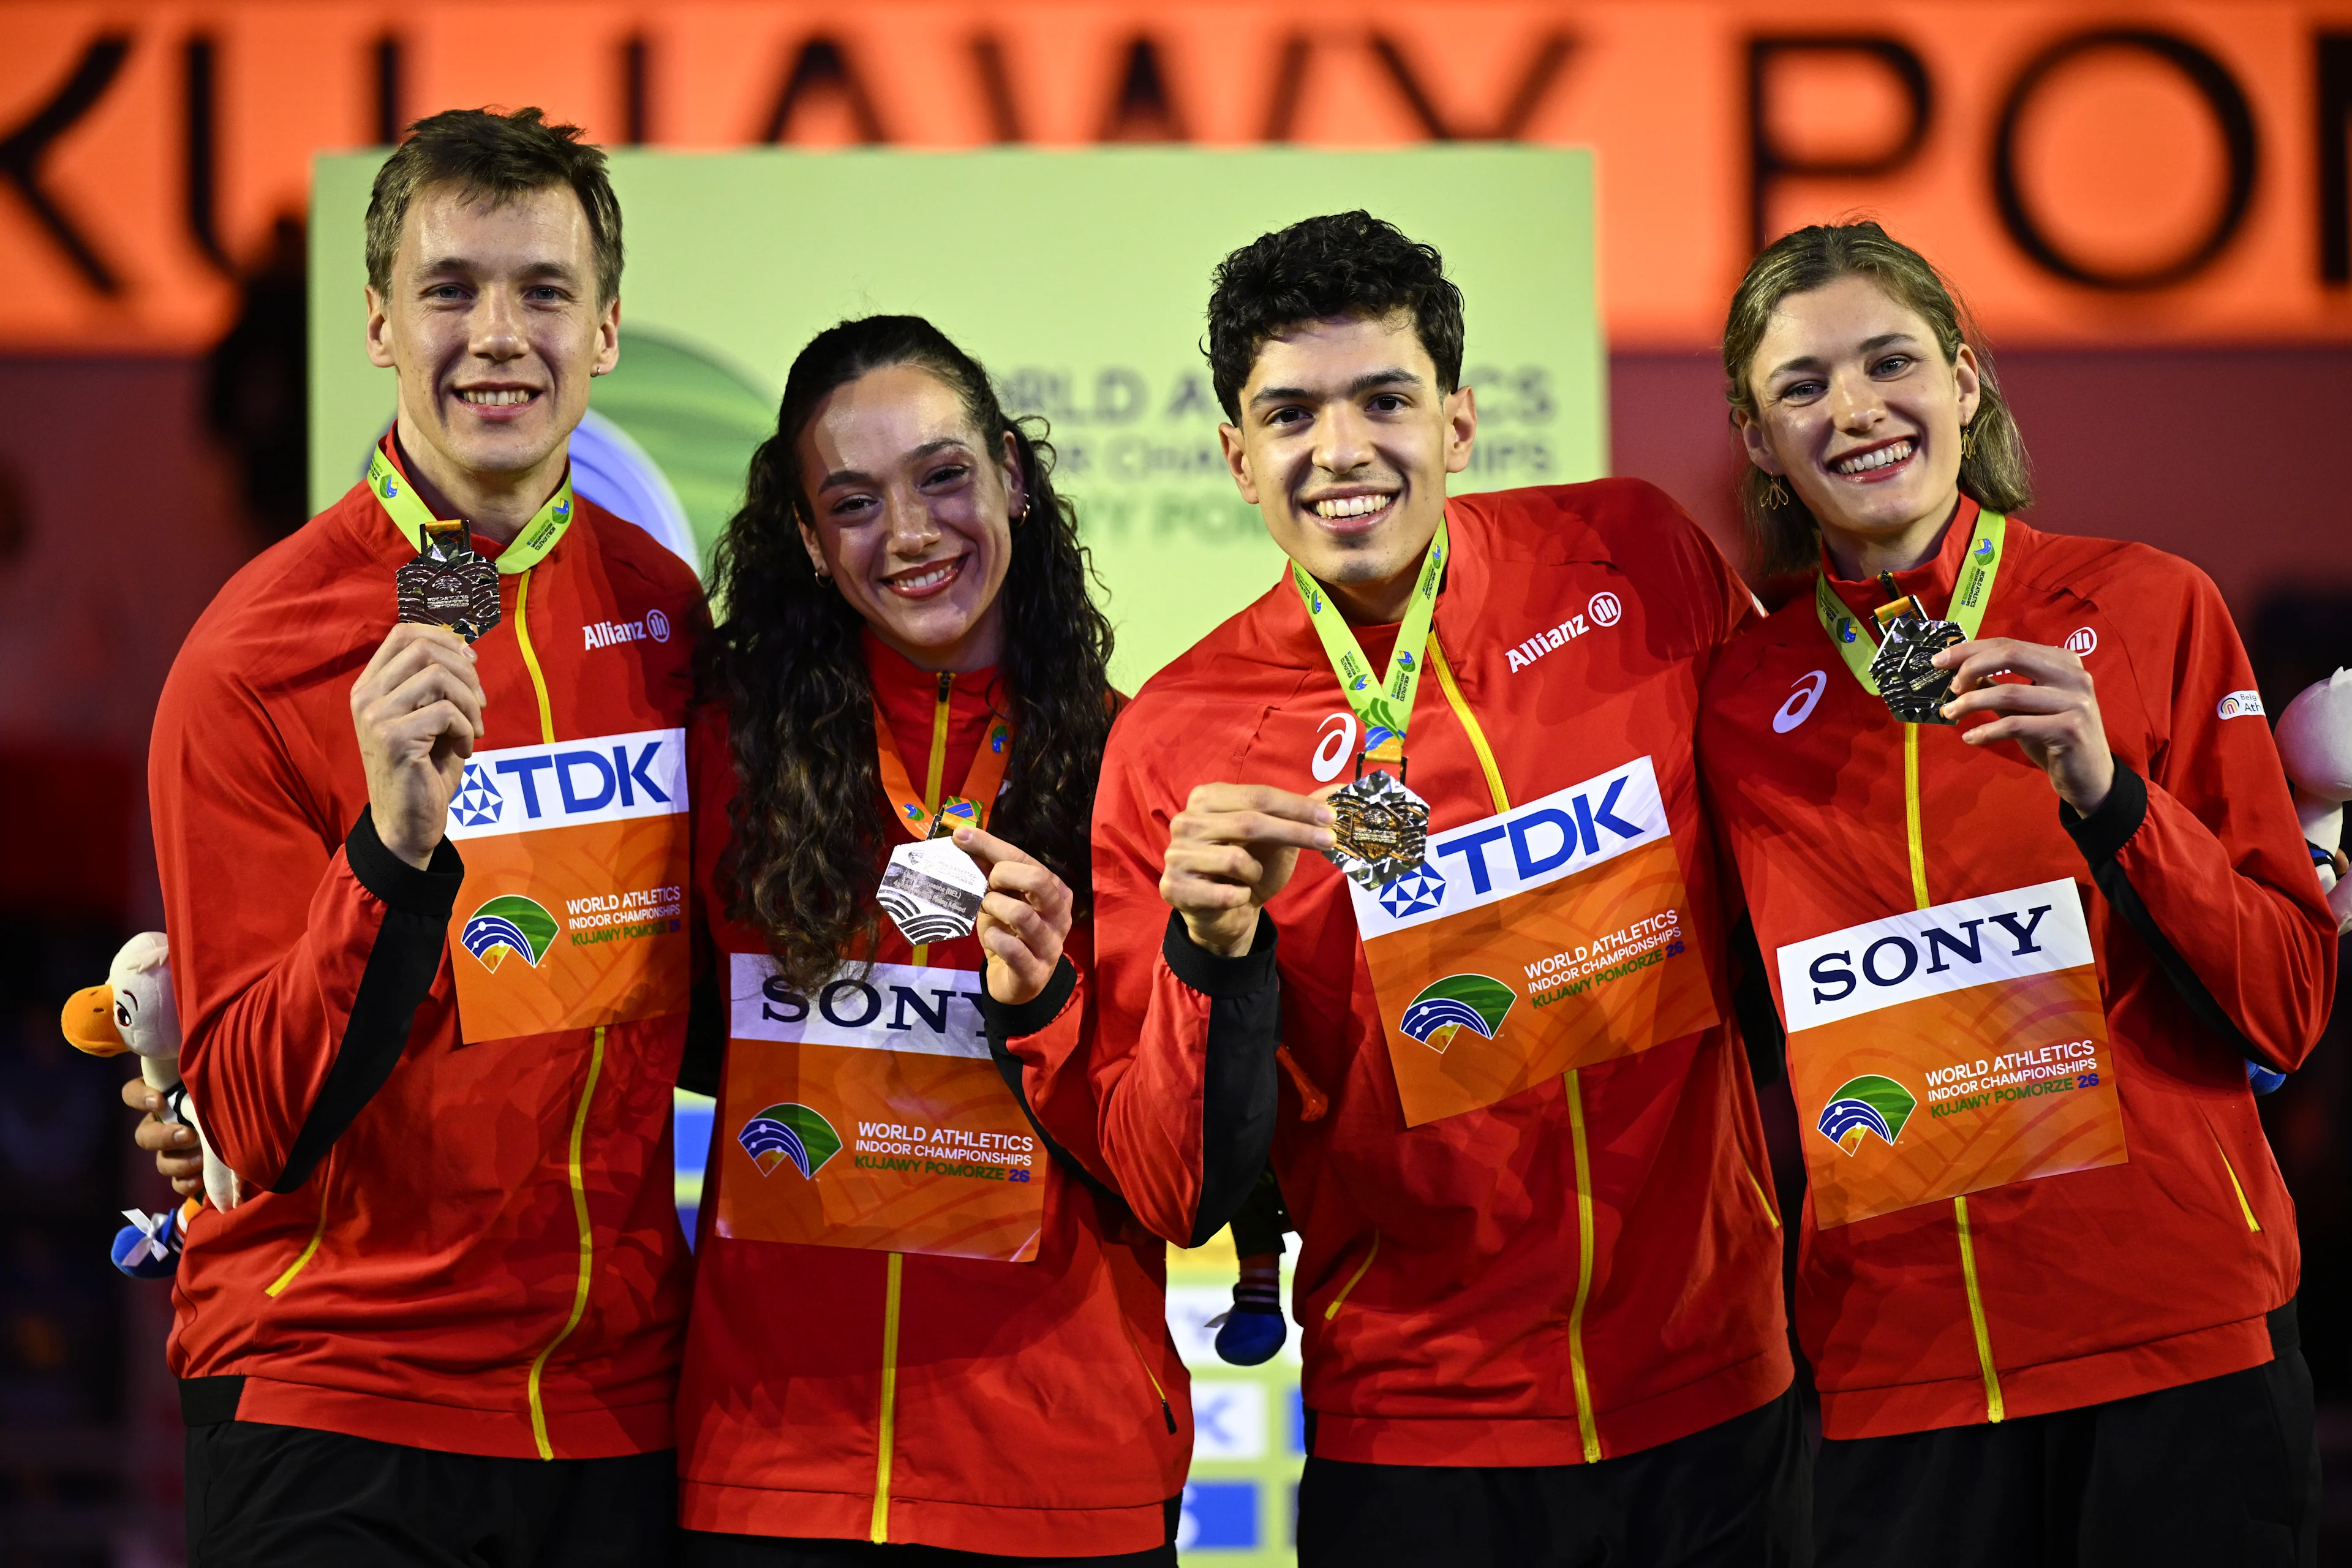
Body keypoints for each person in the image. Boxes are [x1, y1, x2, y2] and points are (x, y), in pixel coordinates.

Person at [1075, 211, 1808, 1566]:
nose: (1342, 450)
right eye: (1289, 413)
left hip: (1719, 1391)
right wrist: (1208, 956)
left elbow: (1810, 824)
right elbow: (1168, 1180)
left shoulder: (1631, 554)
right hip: (1419, 1435)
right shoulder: (1177, 739)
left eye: (1386, 401)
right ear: (1236, 458)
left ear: (1462, 421)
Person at [1697, 221, 2335, 1567]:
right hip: (1899, 1375)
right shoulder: (1740, 700)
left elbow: (2288, 1002)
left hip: (2175, 1344)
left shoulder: (2149, 606)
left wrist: (2113, 796)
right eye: (1801, 386)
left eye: (1892, 363)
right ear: (1757, 440)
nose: (1856, 410)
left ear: (1967, 382)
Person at [145, 107, 699, 1563]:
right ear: (381, 325)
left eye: (544, 292)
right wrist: (389, 849)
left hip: (614, 1413)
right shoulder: (253, 657)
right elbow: (251, 1118)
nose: (498, 336)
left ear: (610, 330)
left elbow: (697, 990)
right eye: (451, 290)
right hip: (338, 1400)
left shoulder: (662, 615)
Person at [674, 315, 1200, 1564]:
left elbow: (1174, 1154)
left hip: (1059, 1467)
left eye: (944, 476)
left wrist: (1049, 1006)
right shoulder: (721, 751)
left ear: (1013, 472)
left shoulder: (1139, 765)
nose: (909, 534)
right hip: (772, 1472)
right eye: (852, 501)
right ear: (806, 539)